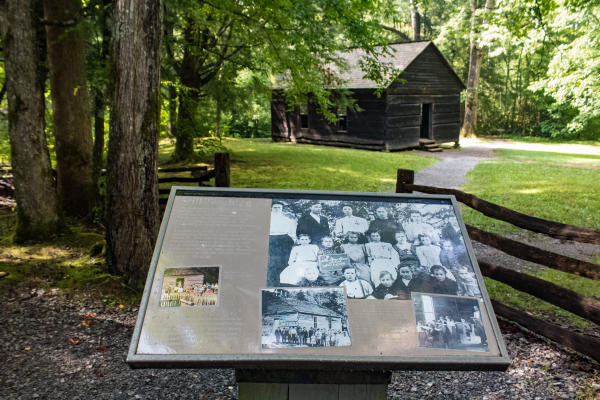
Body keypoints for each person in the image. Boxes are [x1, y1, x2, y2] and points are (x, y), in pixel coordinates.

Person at [268, 202, 297, 286]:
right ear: (271, 208)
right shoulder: (266, 218)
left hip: (283, 241)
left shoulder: (287, 220)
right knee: (271, 262)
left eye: (279, 207)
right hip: (271, 240)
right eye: (275, 207)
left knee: (283, 261)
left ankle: (281, 281)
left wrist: (291, 240)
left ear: (282, 209)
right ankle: (271, 282)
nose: (277, 209)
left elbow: (292, 233)